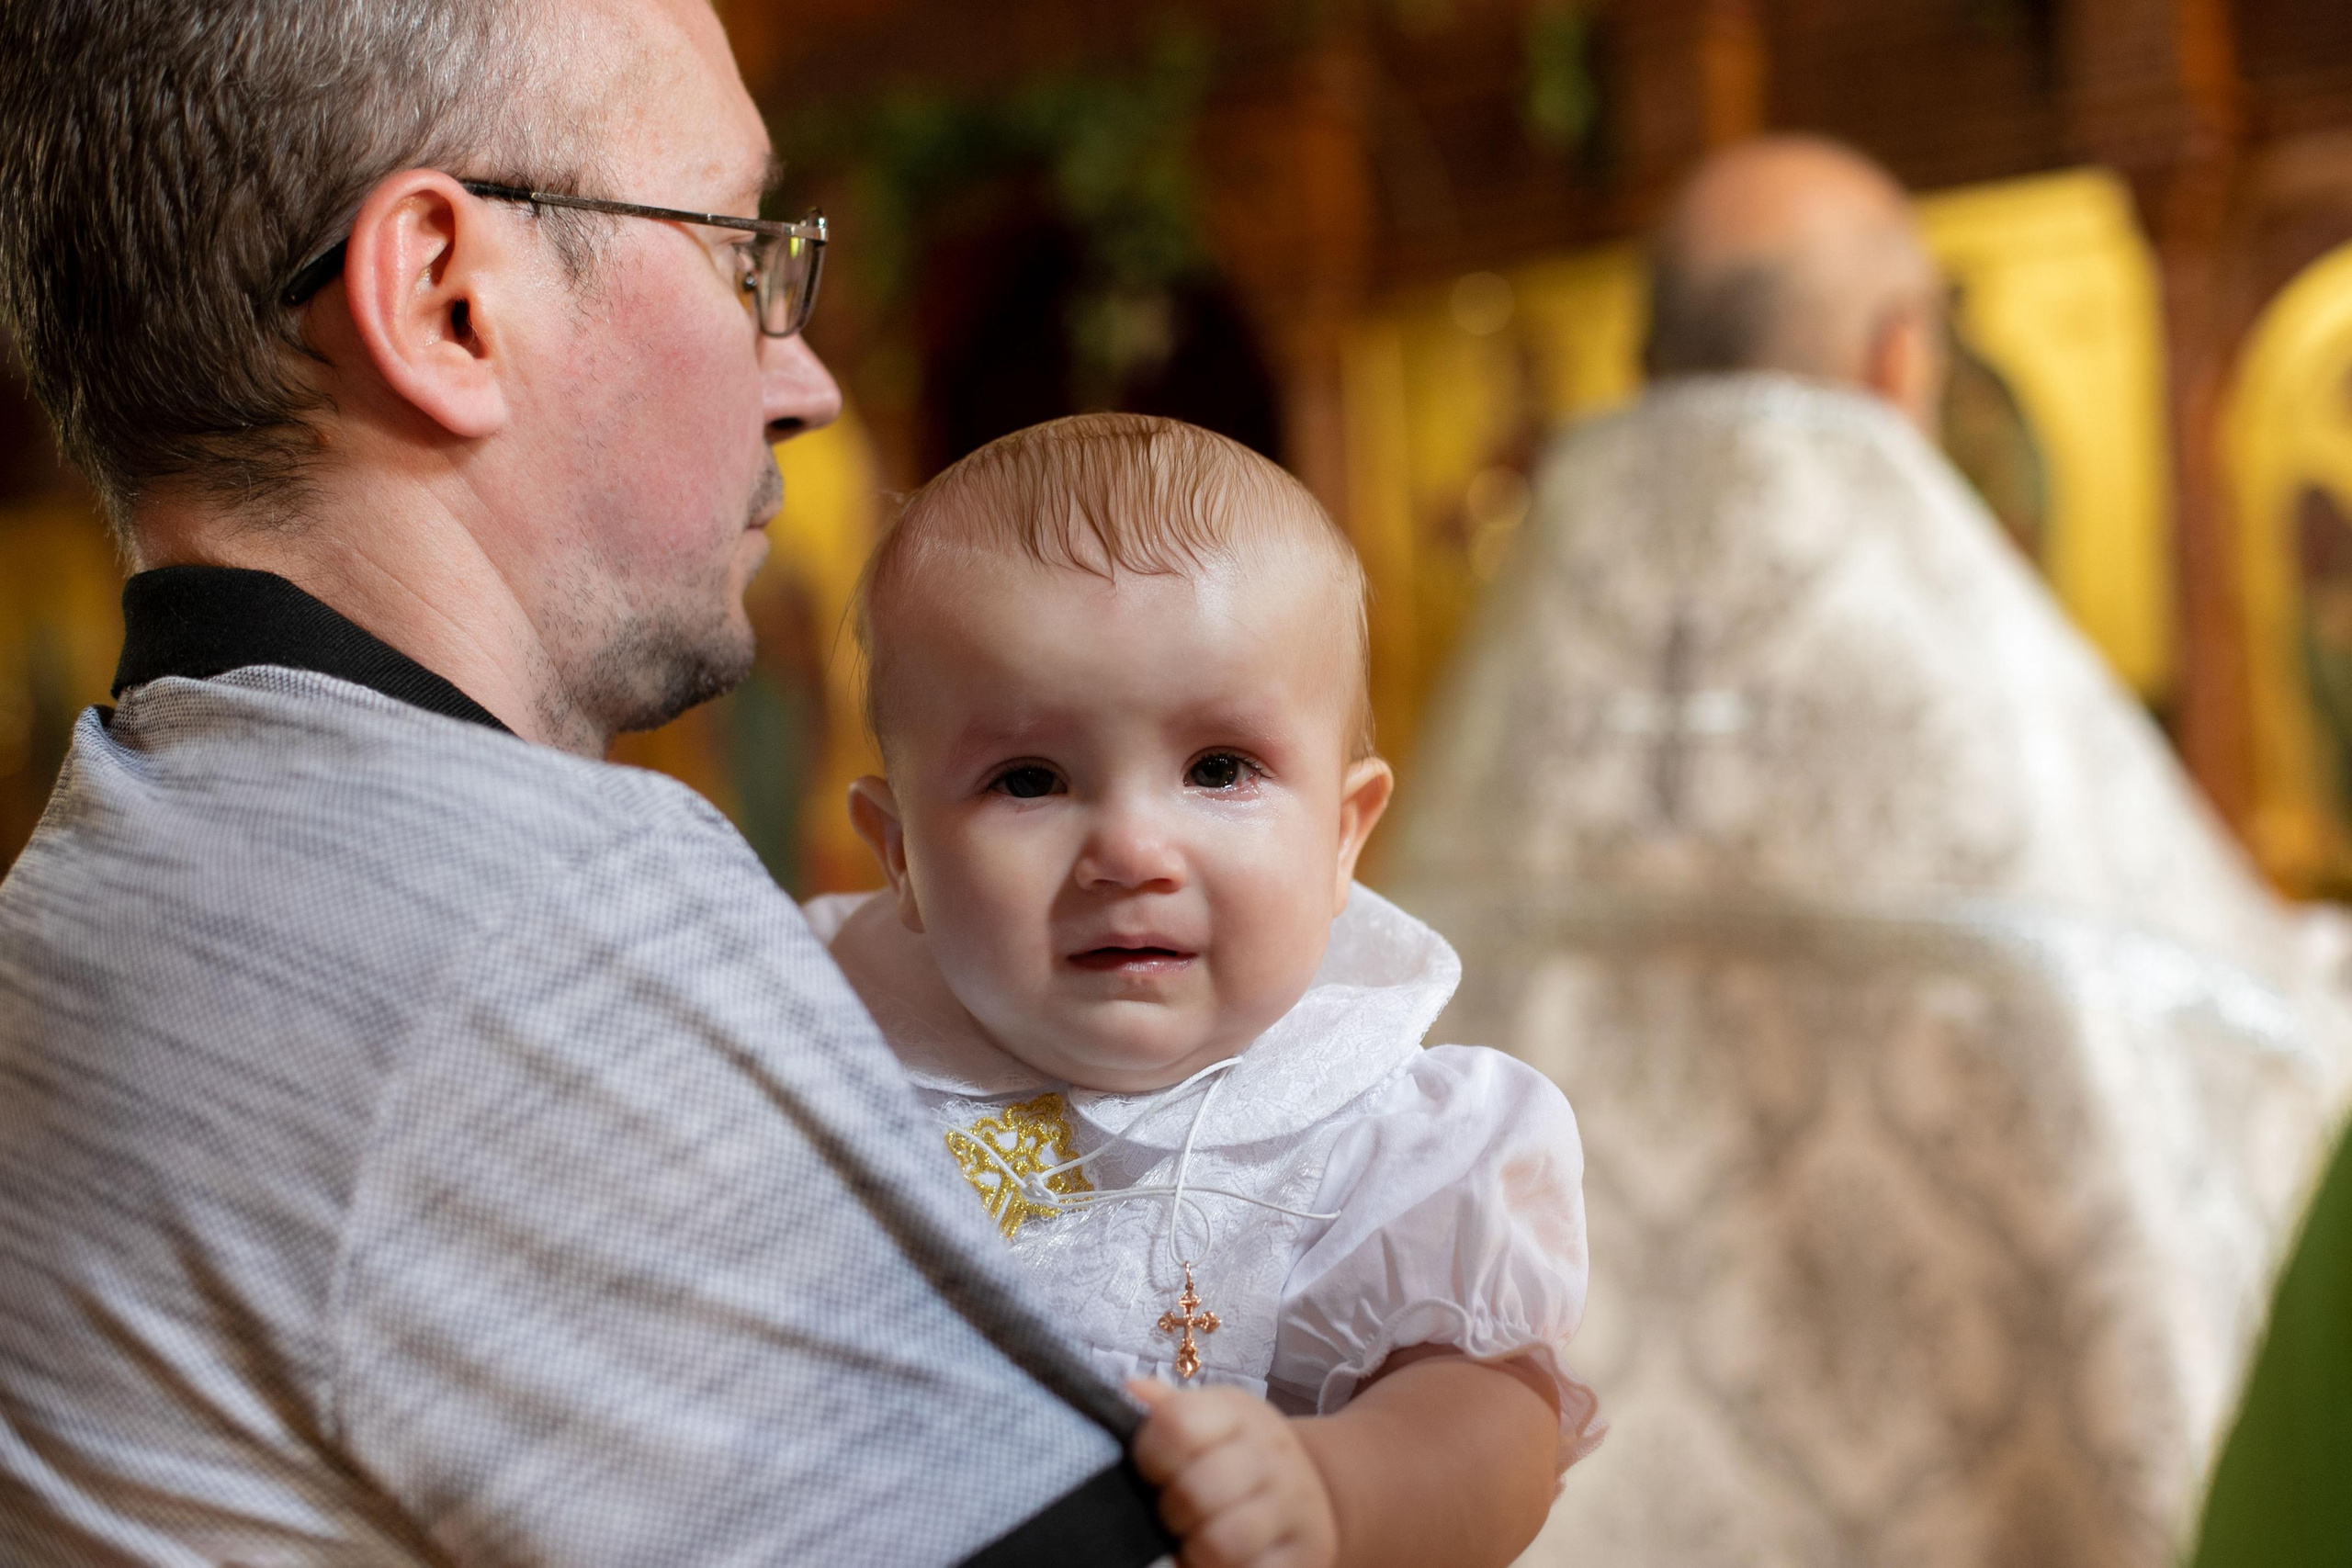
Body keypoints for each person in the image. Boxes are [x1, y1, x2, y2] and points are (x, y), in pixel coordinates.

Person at [0, 3, 1172, 1563]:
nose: (805, 379)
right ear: (448, 303)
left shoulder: (85, 885)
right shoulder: (530, 921)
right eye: (743, 248)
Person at [1385, 136, 2352, 1567]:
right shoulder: (1954, 653)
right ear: (1903, 353)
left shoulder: (1518, 661)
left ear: (1651, 347)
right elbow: (2198, 1023)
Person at [805, 413, 1602, 1568]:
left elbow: (1496, 1425)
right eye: (1029, 779)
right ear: (900, 857)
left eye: (1218, 769)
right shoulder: (822, 1040)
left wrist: (1333, 1490)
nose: (1131, 849)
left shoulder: (1382, 1136)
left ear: (1342, 835)